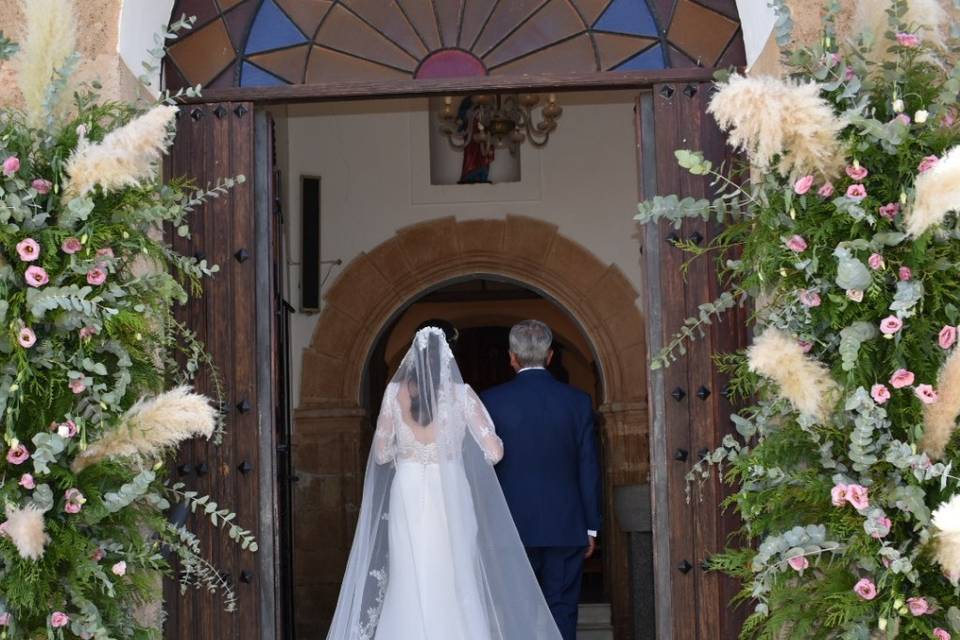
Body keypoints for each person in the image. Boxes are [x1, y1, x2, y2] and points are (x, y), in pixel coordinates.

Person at [326, 326, 562, 640]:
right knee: (455, 572)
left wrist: (411, 452)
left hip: (407, 491)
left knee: (408, 574)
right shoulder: (462, 395)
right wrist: (453, 454)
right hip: (449, 490)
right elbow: (494, 451)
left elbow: (381, 454)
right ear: (447, 359)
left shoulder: (394, 394)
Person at [480, 320, 602, 640]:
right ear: (550, 356)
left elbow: (481, 468)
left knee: (513, 608)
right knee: (561, 606)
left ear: (511, 357)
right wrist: (590, 526)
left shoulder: (490, 401)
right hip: (565, 524)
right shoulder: (577, 401)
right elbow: (588, 465)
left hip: (510, 525)